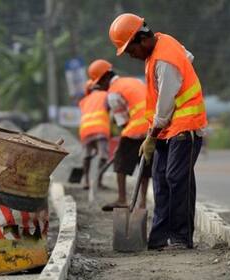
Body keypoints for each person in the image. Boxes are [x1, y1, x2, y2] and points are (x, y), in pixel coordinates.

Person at [109, 13, 207, 249]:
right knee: (161, 180)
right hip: (167, 128)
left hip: (186, 125)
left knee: (176, 177)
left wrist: (150, 137)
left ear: (140, 40)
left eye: (130, 51)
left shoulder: (164, 60)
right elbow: (188, 57)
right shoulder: (162, 45)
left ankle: (181, 237)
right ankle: (159, 237)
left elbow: (165, 103)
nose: (131, 56)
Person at [87, 59, 151, 211]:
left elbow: (123, 122)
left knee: (120, 162)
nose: (101, 88)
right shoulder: (132, 80)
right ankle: (142, 204)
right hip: (152, 127)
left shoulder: (113, 93)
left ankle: (122, 199)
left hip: (136, 128)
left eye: (99, 84)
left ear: (105, 78)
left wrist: (120, 145)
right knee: (145, 166)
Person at [78, 79, 110, 190]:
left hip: (85, 131)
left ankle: (86, 180)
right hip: (101, 129)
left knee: (86, 155)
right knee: (103, 156)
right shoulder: (106, 95)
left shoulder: (83, 101)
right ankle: (98, 181)